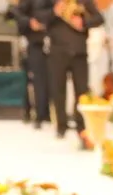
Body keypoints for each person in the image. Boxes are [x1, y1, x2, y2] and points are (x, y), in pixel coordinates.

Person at [47, 0, 89, 141]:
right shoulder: (50, 3)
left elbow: (99, 18)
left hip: (79, 52)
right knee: (58, 91)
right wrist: (55, 13)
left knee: (82, 91)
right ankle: (61, 126)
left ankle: (81, 126)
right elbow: (41, 20)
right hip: (58, 52)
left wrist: (83, 22)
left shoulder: (83, 2)